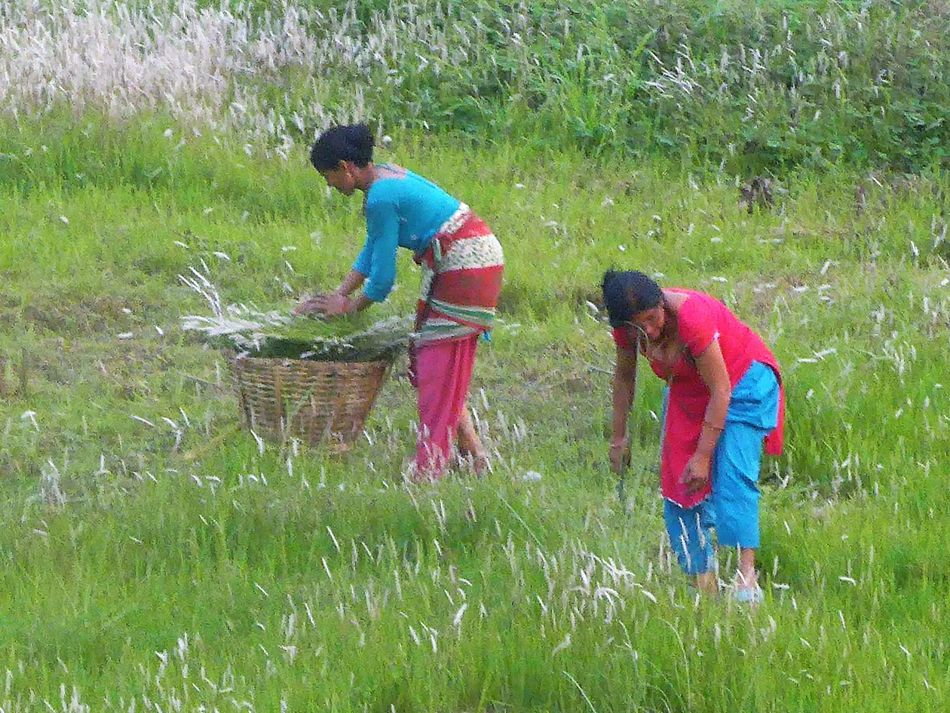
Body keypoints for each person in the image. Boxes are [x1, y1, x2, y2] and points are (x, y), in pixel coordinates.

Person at [295, 124, 504, 481]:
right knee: (437, 365)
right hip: (467, 258)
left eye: (328, 175)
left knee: (437, 364)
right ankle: (474, 456)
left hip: (465, 264)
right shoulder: (385, 178)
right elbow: (373, 247)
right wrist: (341, 293)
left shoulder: (379, 197)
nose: (329, 184)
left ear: (345, 167)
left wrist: (351, 307)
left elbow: (383, 280)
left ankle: (430, 468)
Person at [602, 270, 785, 602]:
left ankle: (747, 579)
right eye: (638, 326)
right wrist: (619, 438)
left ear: (662, 304)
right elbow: (624, 379)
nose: (650, 331)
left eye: (653, 319)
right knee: (679, 483)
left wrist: (703, 456)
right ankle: (704, 583)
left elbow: (721, 390)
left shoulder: (691, 316)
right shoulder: (626, 333)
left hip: (742, 383)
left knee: (732, 473)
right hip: (690, 392)